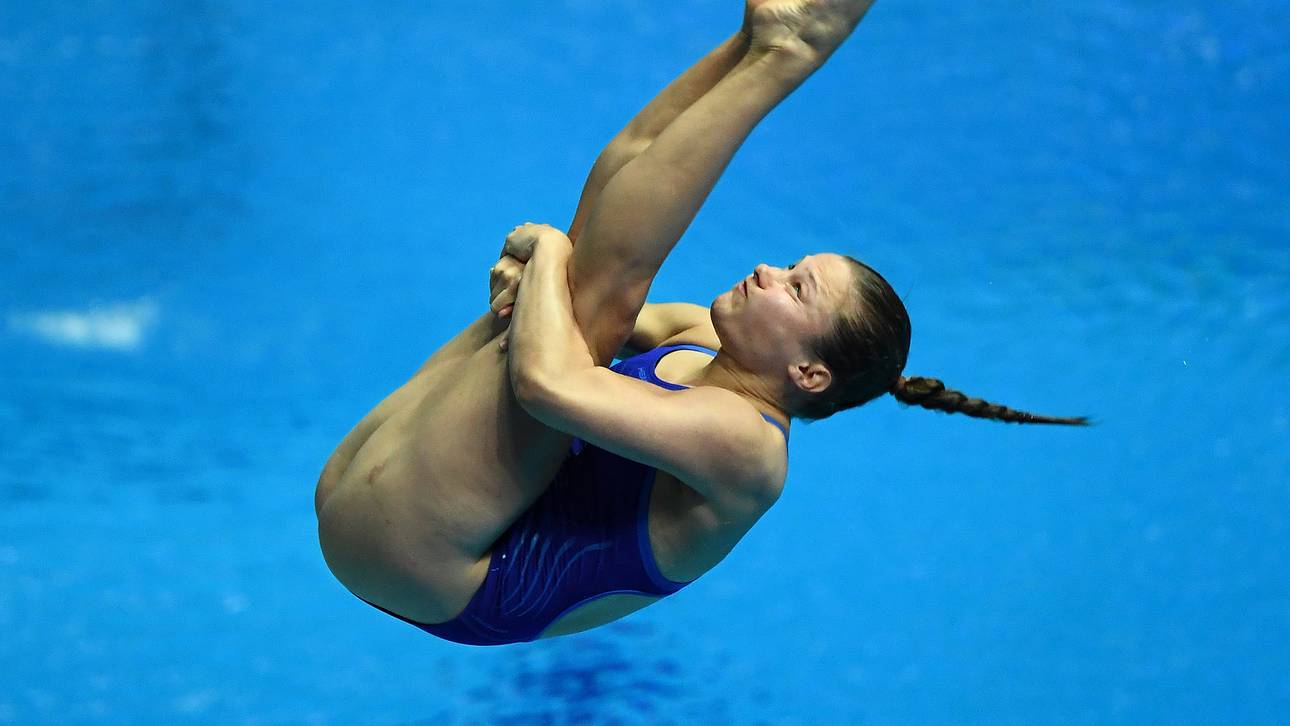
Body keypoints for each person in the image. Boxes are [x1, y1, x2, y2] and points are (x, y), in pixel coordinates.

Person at [315, 0, 1088, 647]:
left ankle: (792, 54)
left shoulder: (748, 449)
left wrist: (541, 251)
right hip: (397, 520)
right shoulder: (701, 337)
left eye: (796, 287)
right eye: (790, 264)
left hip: (434, 568)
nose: (766, 271)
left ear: (809, 375)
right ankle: (765, 43)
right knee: (588, 278)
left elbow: (547, 379)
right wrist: (537, 276)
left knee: (589, 289)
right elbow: (589, 271)